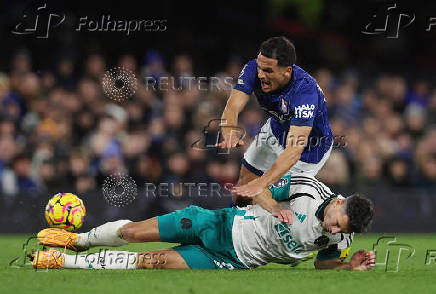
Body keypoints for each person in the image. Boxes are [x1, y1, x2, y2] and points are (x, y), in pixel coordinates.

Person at [33, 174, 375, 271]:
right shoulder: (306, 188)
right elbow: (256, 189)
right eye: (338, 223)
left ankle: (64, 261)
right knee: (133, 232)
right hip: (215, 222)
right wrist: (272, 207)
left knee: (151, 263)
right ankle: (77, 240)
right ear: (339, 202)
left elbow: (324, 266)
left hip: (232, 258)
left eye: (343, 231)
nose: (335, 231)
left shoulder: (340, 240)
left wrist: (348, 268)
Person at [218, 36, 333, 205]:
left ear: (287, 70)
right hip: (274, 131)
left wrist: (262, 183)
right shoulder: (253, 69)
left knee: (266, 200)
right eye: (259, 68)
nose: (260, 75)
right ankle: (229, 224)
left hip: (306, 153)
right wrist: (229, 132)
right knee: (244, 186)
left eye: (268, 71)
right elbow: (232, 107)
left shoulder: (305, 92)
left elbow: (294, 150)